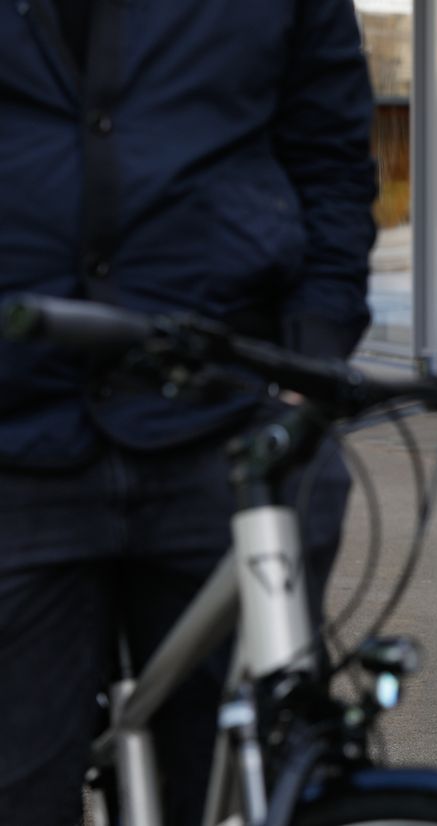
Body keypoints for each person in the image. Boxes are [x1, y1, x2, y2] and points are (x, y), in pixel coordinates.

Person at [0, 3, 376, 824]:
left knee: (240, 783)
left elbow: (331, 155)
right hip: (17, 432)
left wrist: (310, 359)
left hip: (228, 418)